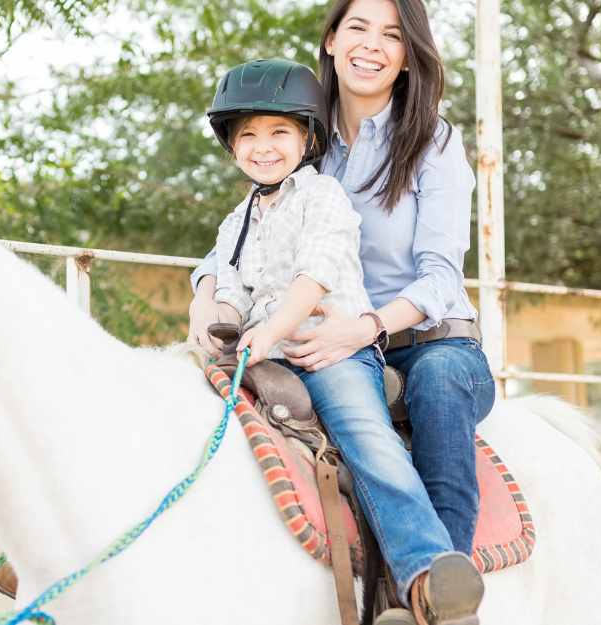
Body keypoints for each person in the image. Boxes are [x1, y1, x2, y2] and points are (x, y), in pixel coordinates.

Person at [186, 1, 493, 623]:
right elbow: (241, 245)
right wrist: (204, 295)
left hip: (427, 340)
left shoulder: (434, 142)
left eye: (391, 35)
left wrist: (367, 326)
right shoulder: (294, 133)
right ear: (331, 39)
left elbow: (440, 276)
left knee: (431, 390)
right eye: (357, 26)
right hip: (309, 334)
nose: (371, 45)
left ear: (408, 56)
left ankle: (440, 594)